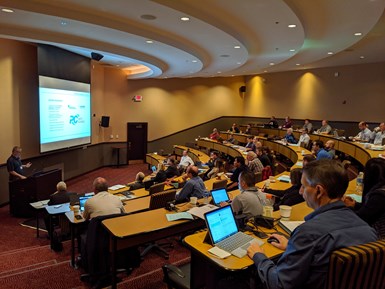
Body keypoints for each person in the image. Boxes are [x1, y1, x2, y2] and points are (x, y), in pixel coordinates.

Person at [247, 159, 378, 289]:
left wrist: (259, 257)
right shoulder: (368, 230)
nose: (300, 191)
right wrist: (292, 248)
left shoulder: (308, 233)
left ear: (319, 191)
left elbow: (280, 284)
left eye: (303, 186)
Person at [343, 158, 385, 238]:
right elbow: (369, 209)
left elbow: (360, 218)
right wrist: (354, 204)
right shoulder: (379, 191)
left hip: (378, 239)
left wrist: (349, 207)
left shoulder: (379, 196)